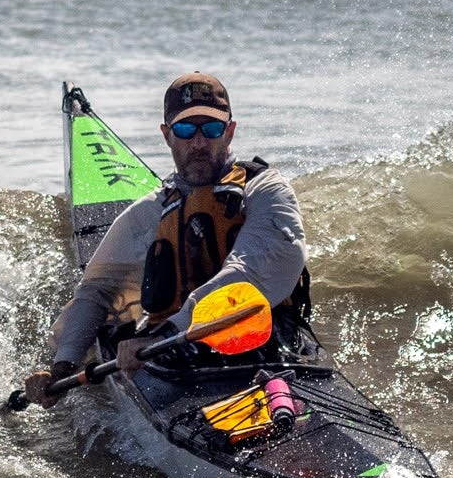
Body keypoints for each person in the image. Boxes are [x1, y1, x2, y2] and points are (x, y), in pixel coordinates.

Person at [22, 73, 310, 409]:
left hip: (262, 342)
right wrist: (63, 366)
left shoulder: (266, 190)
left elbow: (249, 272)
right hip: (177, 353)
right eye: (186, 130)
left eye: (212, 129)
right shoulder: (153, 210)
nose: (199, 143)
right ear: (167, 135)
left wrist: (163, 334)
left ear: (230, 132)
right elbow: (97, 291)